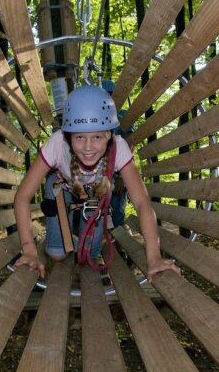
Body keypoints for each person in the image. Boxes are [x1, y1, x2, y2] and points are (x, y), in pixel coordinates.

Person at [13, 84, 180, 281]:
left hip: (97, 192)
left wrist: (154, 257)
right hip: (62, 188)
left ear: (110, 135)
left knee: (90, 256)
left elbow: (142, 202)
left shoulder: (119, 148)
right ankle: (61, 239)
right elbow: (22, 197)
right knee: (56, 254)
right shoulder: (58, 143)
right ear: (68, 136)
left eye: (97, 137)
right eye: (80, 137)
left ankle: (81, 241)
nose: (88, 147)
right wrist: (29, 249)